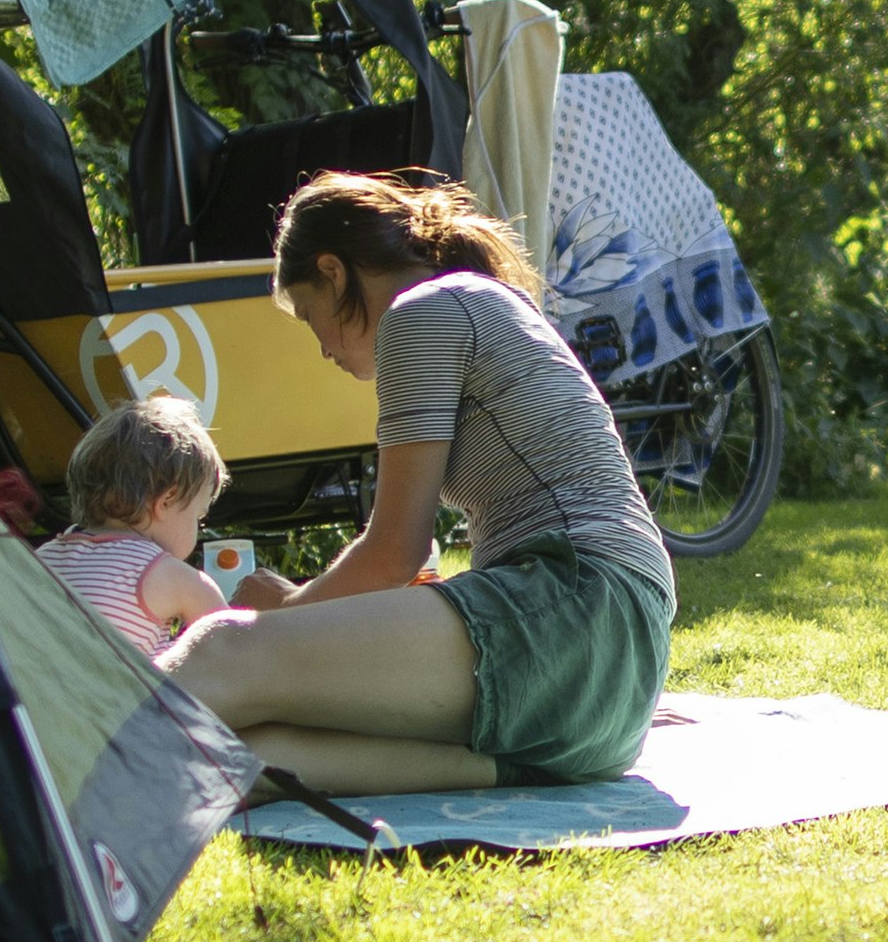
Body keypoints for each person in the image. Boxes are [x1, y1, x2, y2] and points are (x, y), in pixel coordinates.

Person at [167, 171, 672, 792]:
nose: (321, 347)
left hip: (576, 609)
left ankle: (48, 757)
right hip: (611, 697)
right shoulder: (478, 300)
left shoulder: (422, 313)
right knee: (253, 756)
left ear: (333, 271)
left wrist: (285, 609)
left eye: (309, 317)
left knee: (223, 650)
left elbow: (393, 555)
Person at [34, 394, 236, 662]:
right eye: (198, 517)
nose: (198, 527)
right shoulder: (172, 578)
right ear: (167, 500)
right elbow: (234, 658)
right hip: (120, 702)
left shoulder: (41, 558)